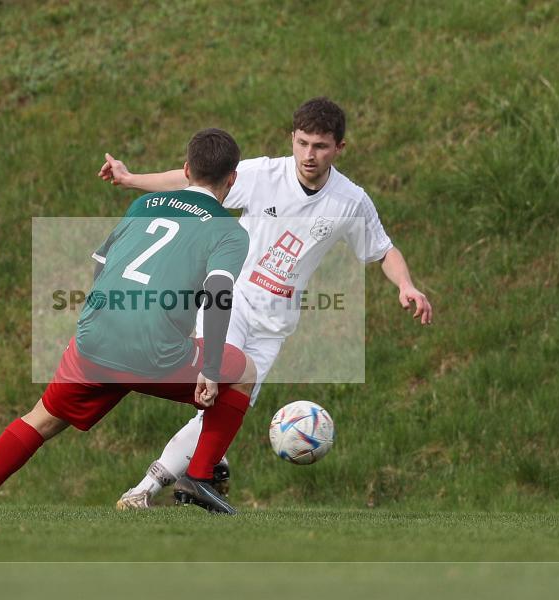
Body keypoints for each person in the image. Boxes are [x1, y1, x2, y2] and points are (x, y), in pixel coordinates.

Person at [99, 97, 433, 509]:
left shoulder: (350, 201)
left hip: (275, 326)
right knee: (212, 397)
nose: (309, 155)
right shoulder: (263, 175)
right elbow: (194, 182)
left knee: (222, 411)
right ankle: (147, 490)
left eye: (320, 146)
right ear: (292, 139)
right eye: (302, 143)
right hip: (230, 303)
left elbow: (383, 250)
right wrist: (131, 179)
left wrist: (406, 285)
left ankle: (199, 471)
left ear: (339, 148)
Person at [0, 128, 256, 515]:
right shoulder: (229, 231)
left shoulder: (145, 204)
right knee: (244, 371)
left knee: (43, 418)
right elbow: (218, 294)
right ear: (232, 178)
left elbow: (101, 261)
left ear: (185, 169)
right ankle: (198, 477)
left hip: (95, 337)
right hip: (156, 351)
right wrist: (210, 369)